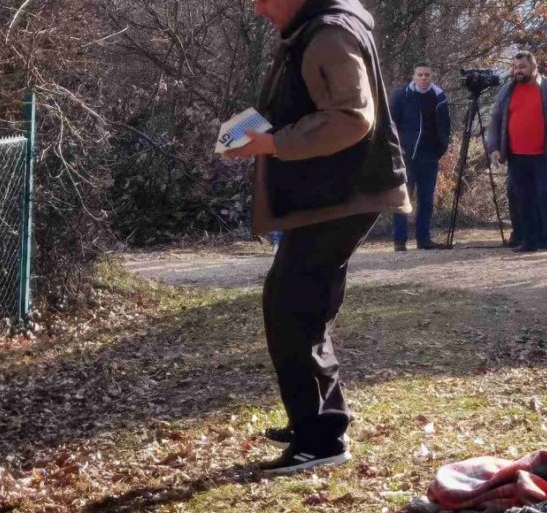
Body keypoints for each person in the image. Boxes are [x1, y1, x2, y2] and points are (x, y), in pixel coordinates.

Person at [226, 0, 410, 474]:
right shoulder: (314, 28)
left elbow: (351, 117)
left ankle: (321, 439)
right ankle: (314, 421)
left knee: (294, 308)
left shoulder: (328, 33)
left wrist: (274, 143)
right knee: (295, 303)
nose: (259, 10)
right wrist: (254, 132)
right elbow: (305, 105)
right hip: (333, 196)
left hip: (341, 195)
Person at [486, 51, 547, 253]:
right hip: (516, 156)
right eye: (515, 67)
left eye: (522, 67)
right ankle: (529, 241)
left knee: (545, 194)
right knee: (522, 198)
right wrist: (494, 148)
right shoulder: (507, 91)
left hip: (544, 155)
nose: (518, 71)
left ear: (534, 68)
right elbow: (495, 119)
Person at [390, 63, 452, 251]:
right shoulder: (401, 96)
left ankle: (423, 239)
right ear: (414, 76)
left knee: (426, 200)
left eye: (427, 75)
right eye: (420, 75)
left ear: (431, 77)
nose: (423, 78)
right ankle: (399, 240)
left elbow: (445, 126)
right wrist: (398, 149)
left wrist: (440, 148)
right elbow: (391, 124)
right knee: (403, 199)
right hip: (406, 157)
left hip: (429, 156)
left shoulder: (439, 97)